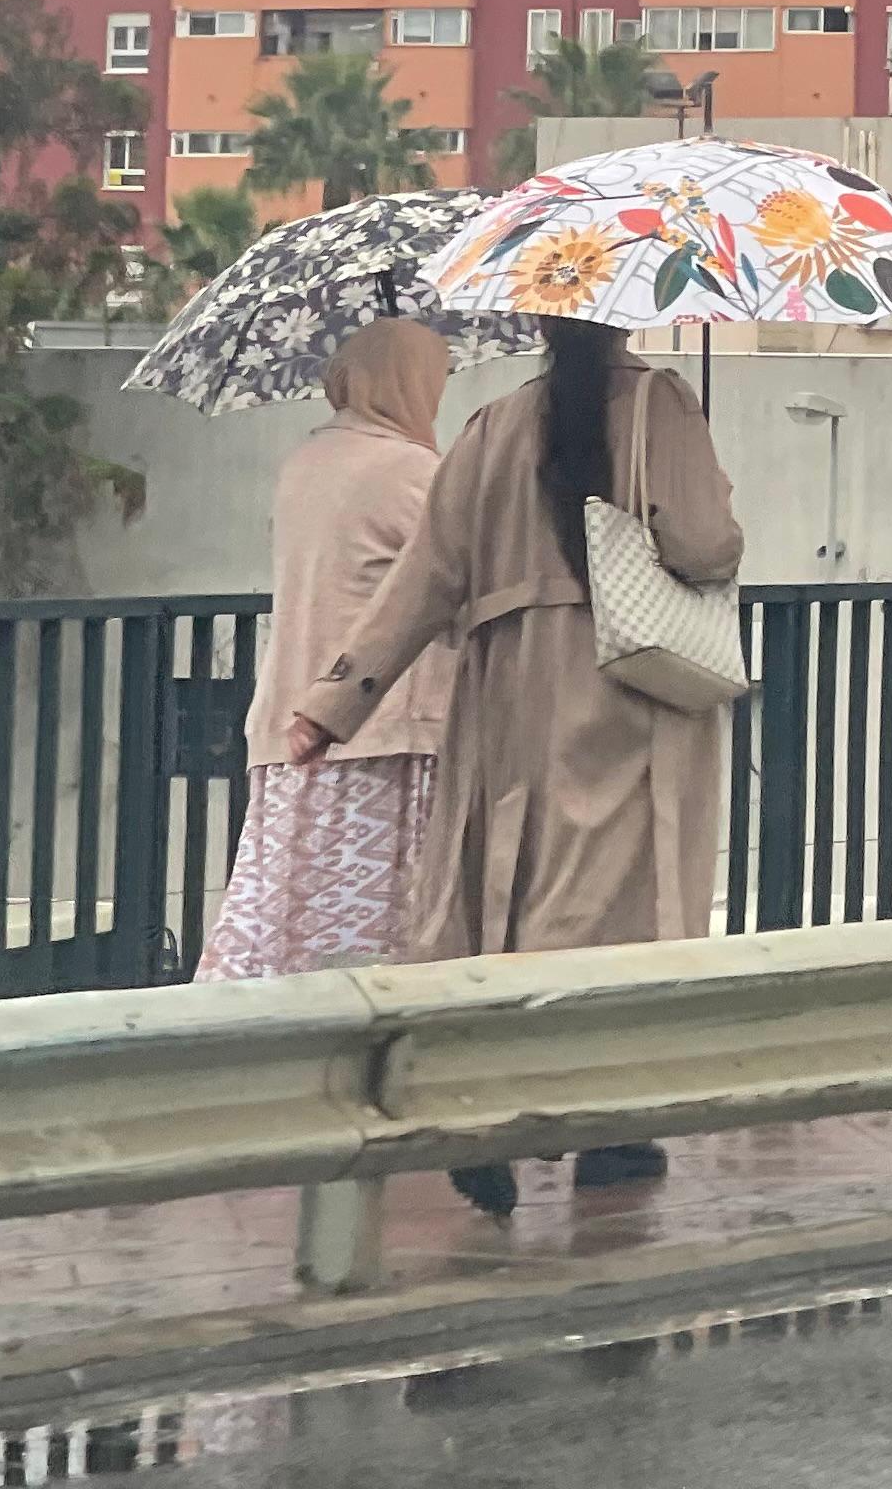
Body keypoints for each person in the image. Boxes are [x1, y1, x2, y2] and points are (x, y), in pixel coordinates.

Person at [286, 315, 743, 1216]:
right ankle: (606, 1127)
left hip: (501, 692)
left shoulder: (490, 425)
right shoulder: (661, 405)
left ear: (538, 322)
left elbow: (424, 577)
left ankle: (483, 1107)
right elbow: (704, 543)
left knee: (501, 896)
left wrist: (333, 702)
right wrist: (711, 485)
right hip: (626, 688)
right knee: (609, 914)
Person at [198, 318, 458, 982]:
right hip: (382, 729)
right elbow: (457, 575)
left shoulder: (304, 463)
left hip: (288, 724)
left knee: (281, 913)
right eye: (436, 376)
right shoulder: (410, 470)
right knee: (380, 935)